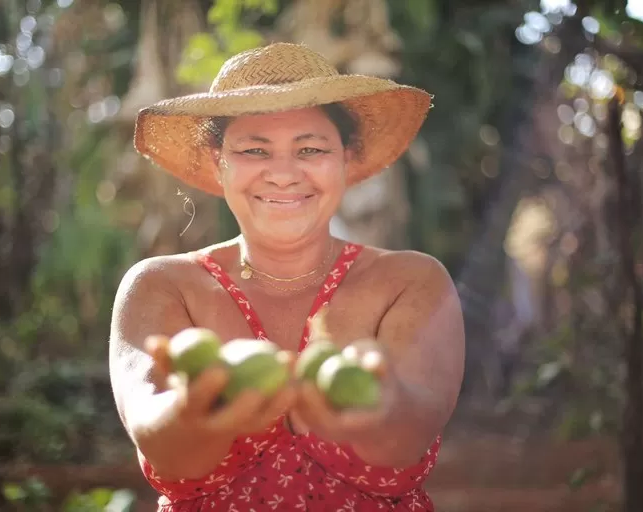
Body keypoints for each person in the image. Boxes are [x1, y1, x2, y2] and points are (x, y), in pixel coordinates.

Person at [109, 42, 465, 511]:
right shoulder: (162, 285)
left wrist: (378, 408)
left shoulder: (410, 281)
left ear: (346, 159)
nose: (282, 173)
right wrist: (192, 413)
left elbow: (407, 435)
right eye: (254, 150)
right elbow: (158, 440)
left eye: (310, 148)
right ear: (220, 163)